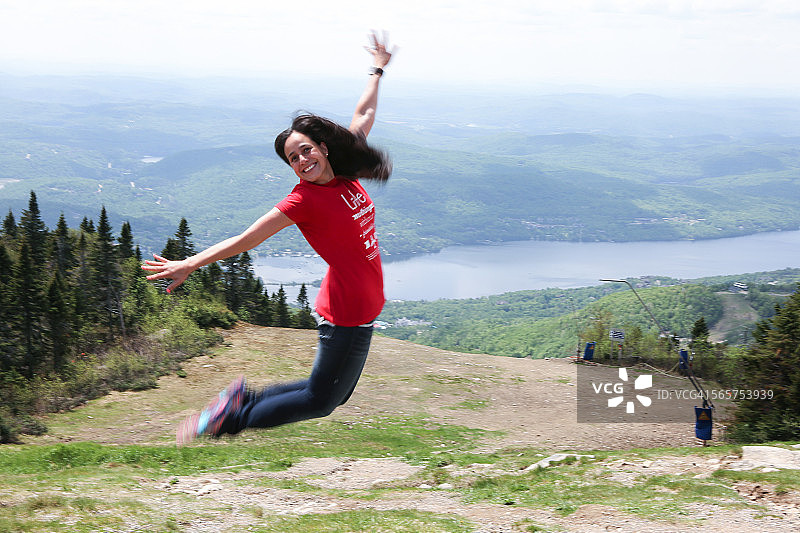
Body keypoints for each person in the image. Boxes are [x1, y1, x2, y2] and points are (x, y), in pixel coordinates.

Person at [142, 32, 394, 445]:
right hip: (347, 312)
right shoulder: (302, 200)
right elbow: (245, 239)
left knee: (334, 394)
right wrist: (190, 263)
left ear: (324, 149)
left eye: (306, 150)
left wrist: (378, 67)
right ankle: (228, 421)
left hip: (358, 307)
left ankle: (239, 401)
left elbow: (363, 112)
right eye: (293, 158)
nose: (302, 160)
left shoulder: (346, 170)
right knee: (320, 400)